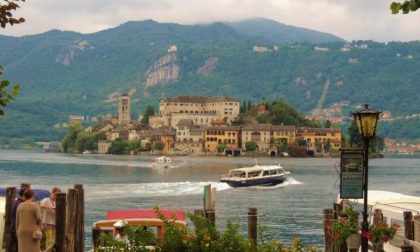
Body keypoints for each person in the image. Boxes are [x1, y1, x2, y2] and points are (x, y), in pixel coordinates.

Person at [10, 184, 30, 252]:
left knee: (17, 248)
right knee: (19, 248)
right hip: (17, 229)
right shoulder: (20, 204)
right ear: (24, 195)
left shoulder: (18, 202)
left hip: (15, 228)